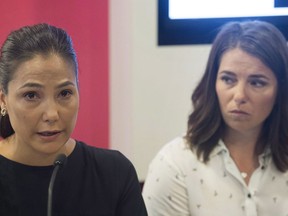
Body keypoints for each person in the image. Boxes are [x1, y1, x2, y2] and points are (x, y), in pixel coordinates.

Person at [142, 20, 288, 216]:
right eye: (228, 79)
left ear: (280, 91)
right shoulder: (175, 163)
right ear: (213, 83)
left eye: (257, 83)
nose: (239, 95)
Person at [0, 23, 147, 216]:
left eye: (64, 93)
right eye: (31, 95)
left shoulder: (114, 173)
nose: (52, 114)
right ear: (3, 100)